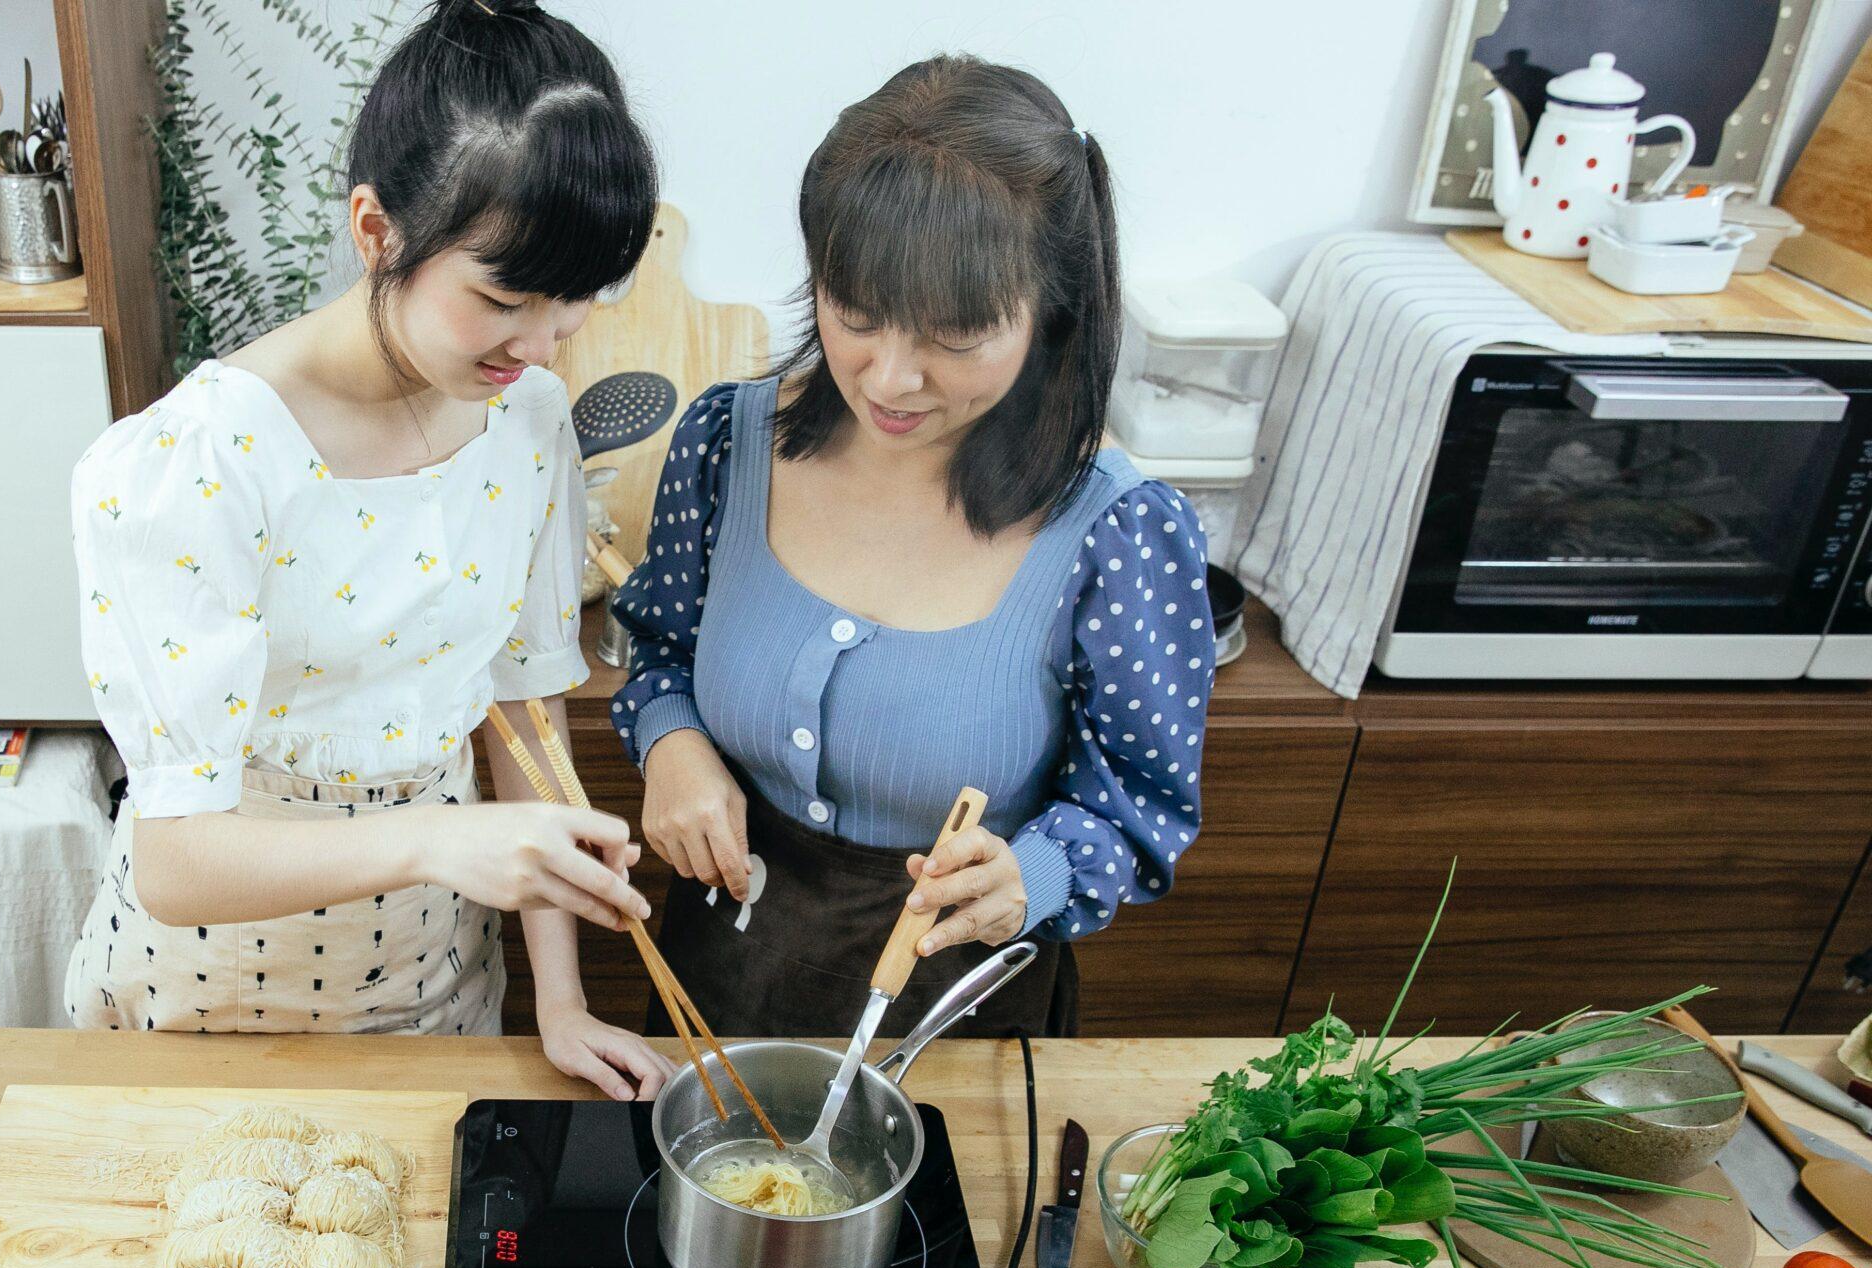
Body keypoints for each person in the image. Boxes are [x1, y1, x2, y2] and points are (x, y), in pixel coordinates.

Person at [68, 0, 671, 1099]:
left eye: (572, 304)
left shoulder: (525, 417)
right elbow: (177, 862)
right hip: (218, 987)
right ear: (375, 230)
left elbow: (524, 713)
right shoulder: (202, 460)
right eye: (502, 298)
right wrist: (442, 843)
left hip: (438, 971)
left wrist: (561, 999)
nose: (539, 345)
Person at [609, 55, 1214, 1040]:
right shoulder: (726, 444)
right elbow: (659, 650)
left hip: (953, 1020)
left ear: (1050, 314)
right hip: (710, 988)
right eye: (855, 313)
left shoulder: (1120, 532)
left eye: (955, 334)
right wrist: (671, 745)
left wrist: (1037, 872)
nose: (889, 378)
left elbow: (1137, 811)